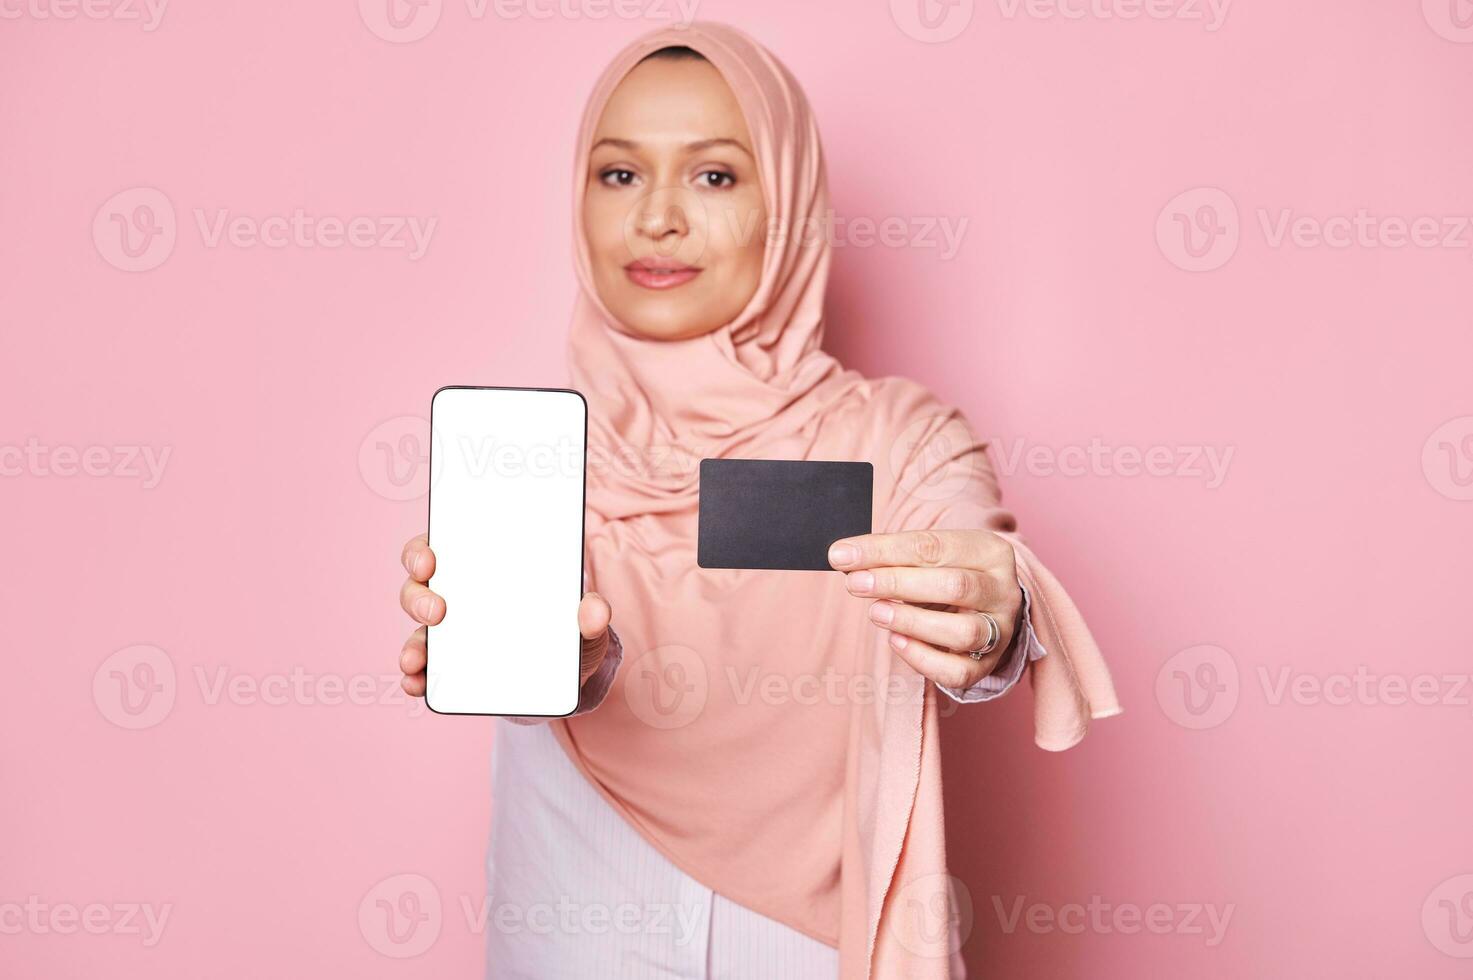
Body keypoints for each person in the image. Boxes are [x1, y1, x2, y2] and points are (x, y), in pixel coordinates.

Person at [396, 22, 1119, 979]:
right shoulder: (529, 456)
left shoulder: (897, 437)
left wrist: (993, 617)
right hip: (569, 928)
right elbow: (554, 676)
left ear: (787, 200)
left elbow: (971, 571)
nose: (655, 218)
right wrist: (567, 666)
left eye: (714, 176)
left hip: (814, 946)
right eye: (618, 175)